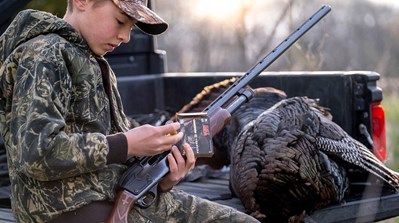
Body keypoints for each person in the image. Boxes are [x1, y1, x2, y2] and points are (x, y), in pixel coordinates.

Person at [0, 0, 260, 222]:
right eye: (120, 20)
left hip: (101, 194)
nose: (125, 36)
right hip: (67, 209)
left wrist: (163, 179)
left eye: (131, 27)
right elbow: (37, 152)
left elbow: (108, 149)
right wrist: (128, 143)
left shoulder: (92, 60)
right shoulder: (45, 53)